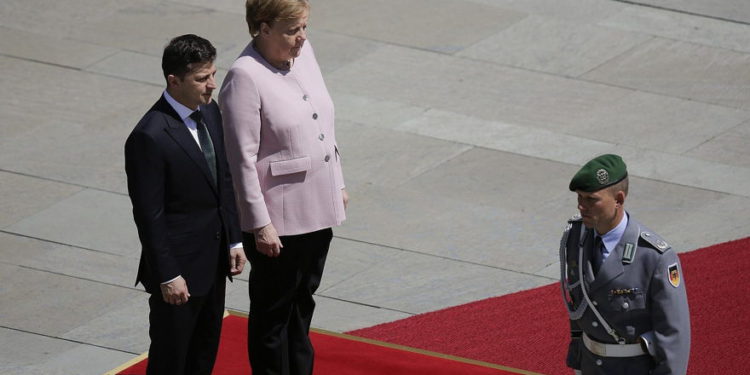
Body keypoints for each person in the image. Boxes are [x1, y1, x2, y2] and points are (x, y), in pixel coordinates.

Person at [219, 0, 348, 373]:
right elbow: (240, 159)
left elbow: (325, 123)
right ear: (263, 28)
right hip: (280, 222)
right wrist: (259, 224)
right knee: (273, 314)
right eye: (293, 30)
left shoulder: (304, 55)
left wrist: (337, 182)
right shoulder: (244, 76)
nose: (302, 38)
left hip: (319, 208)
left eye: (305, 27)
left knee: (303, 300)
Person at [125, 34, 246, 375]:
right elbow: (149, 215)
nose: (211, 86)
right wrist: (168, 274)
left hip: (214, 263)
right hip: (177, 275)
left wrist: (234, 238)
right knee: (171, 361)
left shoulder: (210, 112)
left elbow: (224, 179)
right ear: (173, 80)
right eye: (201, 78)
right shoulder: (149, 136)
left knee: (203, 356)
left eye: (212, 75)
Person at [559, 154, 690, 375]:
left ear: (618, 199)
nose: (582, 206)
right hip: (590, 366)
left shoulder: (654, 256)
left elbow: (673, 335)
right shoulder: (575, 237)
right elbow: (578, 306)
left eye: (591, 199)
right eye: (579, 198)